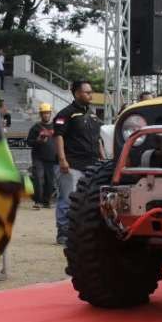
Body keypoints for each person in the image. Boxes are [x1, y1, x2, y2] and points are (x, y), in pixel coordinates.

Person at [53, 80, 100, 245]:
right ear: (77, 93)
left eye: (91, 91)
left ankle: (83, 232)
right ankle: (63, 232)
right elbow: (58, 136)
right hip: (71, 164)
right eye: (87, 92)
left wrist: (102, 158)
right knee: (67, 199)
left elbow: (98, 139)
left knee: (88, 201)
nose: (90, 94)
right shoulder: (65, 114)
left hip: (92, 165)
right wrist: (62, 160)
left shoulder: (93, 115)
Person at [26, 103, 57, 210]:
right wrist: (38, 140)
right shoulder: (35, 128)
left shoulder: (55, 127)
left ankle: (46, 201)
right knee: (38, 178)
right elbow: (29, 142)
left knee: (50, 180)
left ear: (50, 114)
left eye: (48, 113)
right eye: (44, 113)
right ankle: (38, 201)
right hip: (38, 158)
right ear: (40, 114)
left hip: (51, 158)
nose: (46, 115)